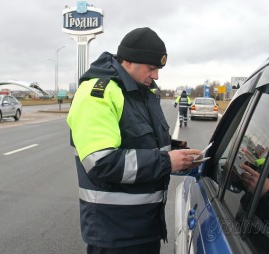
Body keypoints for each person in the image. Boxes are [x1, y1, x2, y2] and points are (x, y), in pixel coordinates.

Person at [67, 27, 201, 254]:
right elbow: (101, 163)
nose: (156, 75)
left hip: (144, 227)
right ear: (128, 62)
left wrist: (180, 152)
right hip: (115, 233)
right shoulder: (98, 93)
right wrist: (167, 161)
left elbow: (139, 140)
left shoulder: (142, 93)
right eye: (152, 68)